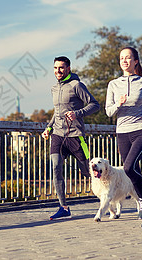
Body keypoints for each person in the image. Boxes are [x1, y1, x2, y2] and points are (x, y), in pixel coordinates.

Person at [105, 47, 142, 228]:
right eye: (122, 58)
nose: (125, 60)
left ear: (135, 61)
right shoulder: (113, 84)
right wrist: (118, 104)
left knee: (128, 168)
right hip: (122, 132)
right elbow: (108, 112)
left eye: (128, 57)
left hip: (140, 130)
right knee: (132, 171)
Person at [42, 56, 100, 220]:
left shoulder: (77, 85)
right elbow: (57, 111)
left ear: (68, 68)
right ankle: (63, 207)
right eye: (55, 68)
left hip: (76, 136)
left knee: (90, 171)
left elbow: (94, 104)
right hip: (58, 135)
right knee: (56, 168)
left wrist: (77, 114)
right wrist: (49, 127)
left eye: (61, 68)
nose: (57, 71)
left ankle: (109, 198)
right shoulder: (54, 88)